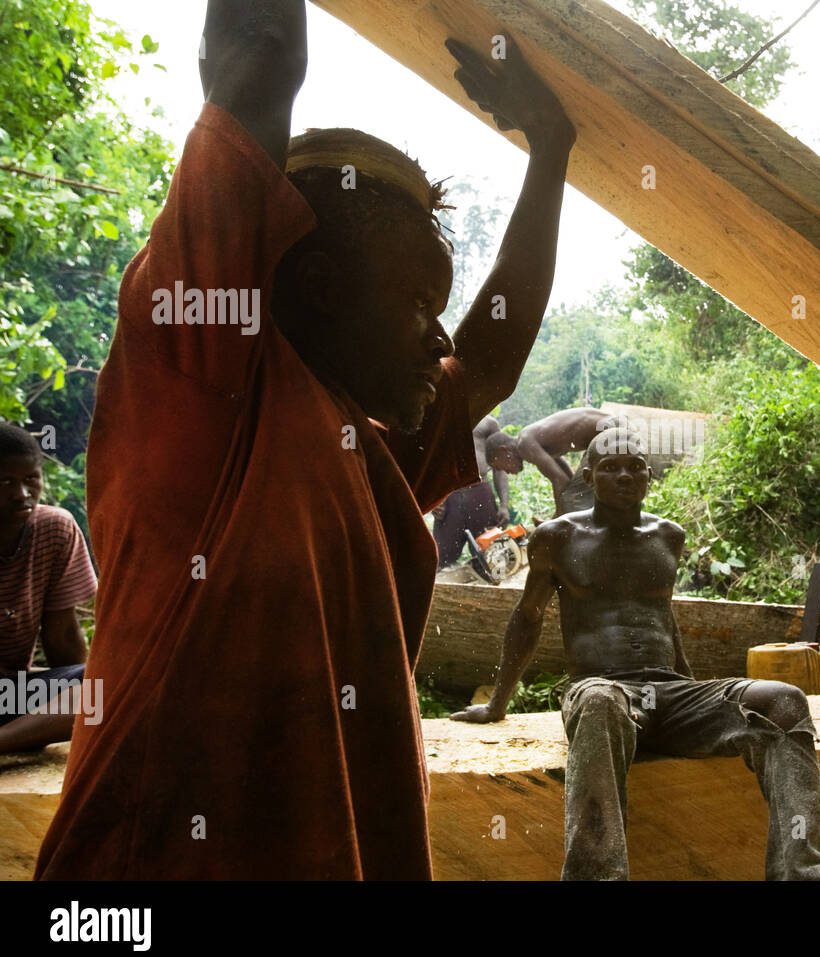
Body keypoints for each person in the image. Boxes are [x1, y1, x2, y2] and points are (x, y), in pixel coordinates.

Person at [36, 0, 575, 879]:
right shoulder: (204, 374)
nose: (439, 339)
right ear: (320, 287)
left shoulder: (367, 452)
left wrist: (550, 150)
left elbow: (485, 362)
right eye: (418, 304)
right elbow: (261, 52)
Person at [452, 427, 820, 880]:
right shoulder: (556, 538)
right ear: (588, 475)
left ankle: (806, 876)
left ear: (649, 476)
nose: (624, 475)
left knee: (784, 701)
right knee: (599, 703)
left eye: (634, 467)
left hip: (669, 695)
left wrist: (698, 695)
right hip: (602, 692)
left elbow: (661, 618)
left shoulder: (668, 536)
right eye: (610, 467)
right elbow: (528, 618)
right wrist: (497, 704)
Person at [0, 425, 97, 755]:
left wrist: (85, 702)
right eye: (5, 482)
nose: (22, 494)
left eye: (31, 479)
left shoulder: (54, 529)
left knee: (112, 679)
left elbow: (63, 637)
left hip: (9, 698)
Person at [484, 407, 612, 512]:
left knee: (576, 498)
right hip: (615, 427)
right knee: (577, 494)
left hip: (611, 433)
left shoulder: (524, 444)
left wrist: (556, 518)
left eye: (499, 467)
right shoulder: (533, 441)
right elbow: (567, 480)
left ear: (503, 451)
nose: (506, 472)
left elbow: (560, 480)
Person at [432, 416, 512, 568]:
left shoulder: (489, 423)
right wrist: (434, 499)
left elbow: (499, 467)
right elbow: (430, 459)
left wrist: (504, 505)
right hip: (448, 495)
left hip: (480, 492)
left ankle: (496, 589)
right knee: (440, 560)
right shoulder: (441, 419)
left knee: (494, 558)